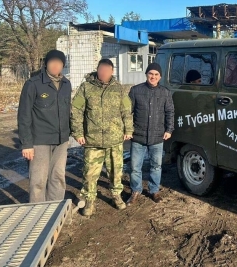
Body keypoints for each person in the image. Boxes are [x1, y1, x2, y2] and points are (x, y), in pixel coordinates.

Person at [71, 59, 133, 216]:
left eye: (107, 70)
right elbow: (76, 110)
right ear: (97, 70)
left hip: (114, 139)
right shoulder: (86, 87)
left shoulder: (119, 89)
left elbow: (126, 110)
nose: (104, 72)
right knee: (90, 173)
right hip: (93, 140)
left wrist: (128, 129)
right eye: (101, 69)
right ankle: (89, 201)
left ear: (112, 72)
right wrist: (78, 133)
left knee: (116, 171)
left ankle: (116, 196)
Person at [17, 49, 72, 203]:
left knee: (58, 177)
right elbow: (24, 115)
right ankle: (38, 213)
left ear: (63, 65)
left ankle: (54, 210)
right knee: (38, 181)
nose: (55, 65)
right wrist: (26, 144)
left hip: (61, 140)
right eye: (52, 62)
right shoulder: (33, 84)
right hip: (39, 140)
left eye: (59, 63)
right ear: (46, 64)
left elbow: (68, 111)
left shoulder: (66, 84)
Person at [127, 62, 174, 205]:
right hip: (138, 136)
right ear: (146, 74)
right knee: (135, 167)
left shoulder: (165, 92)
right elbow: (127, 112)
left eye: (156, 75)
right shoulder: (135, 91)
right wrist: (128, 130)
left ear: (160, 77)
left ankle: (154, 190)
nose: (153, 77)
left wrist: (169, 129)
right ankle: (136, 190)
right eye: (150, 74)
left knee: (156, 166)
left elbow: (170, 112)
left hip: (157, 136)